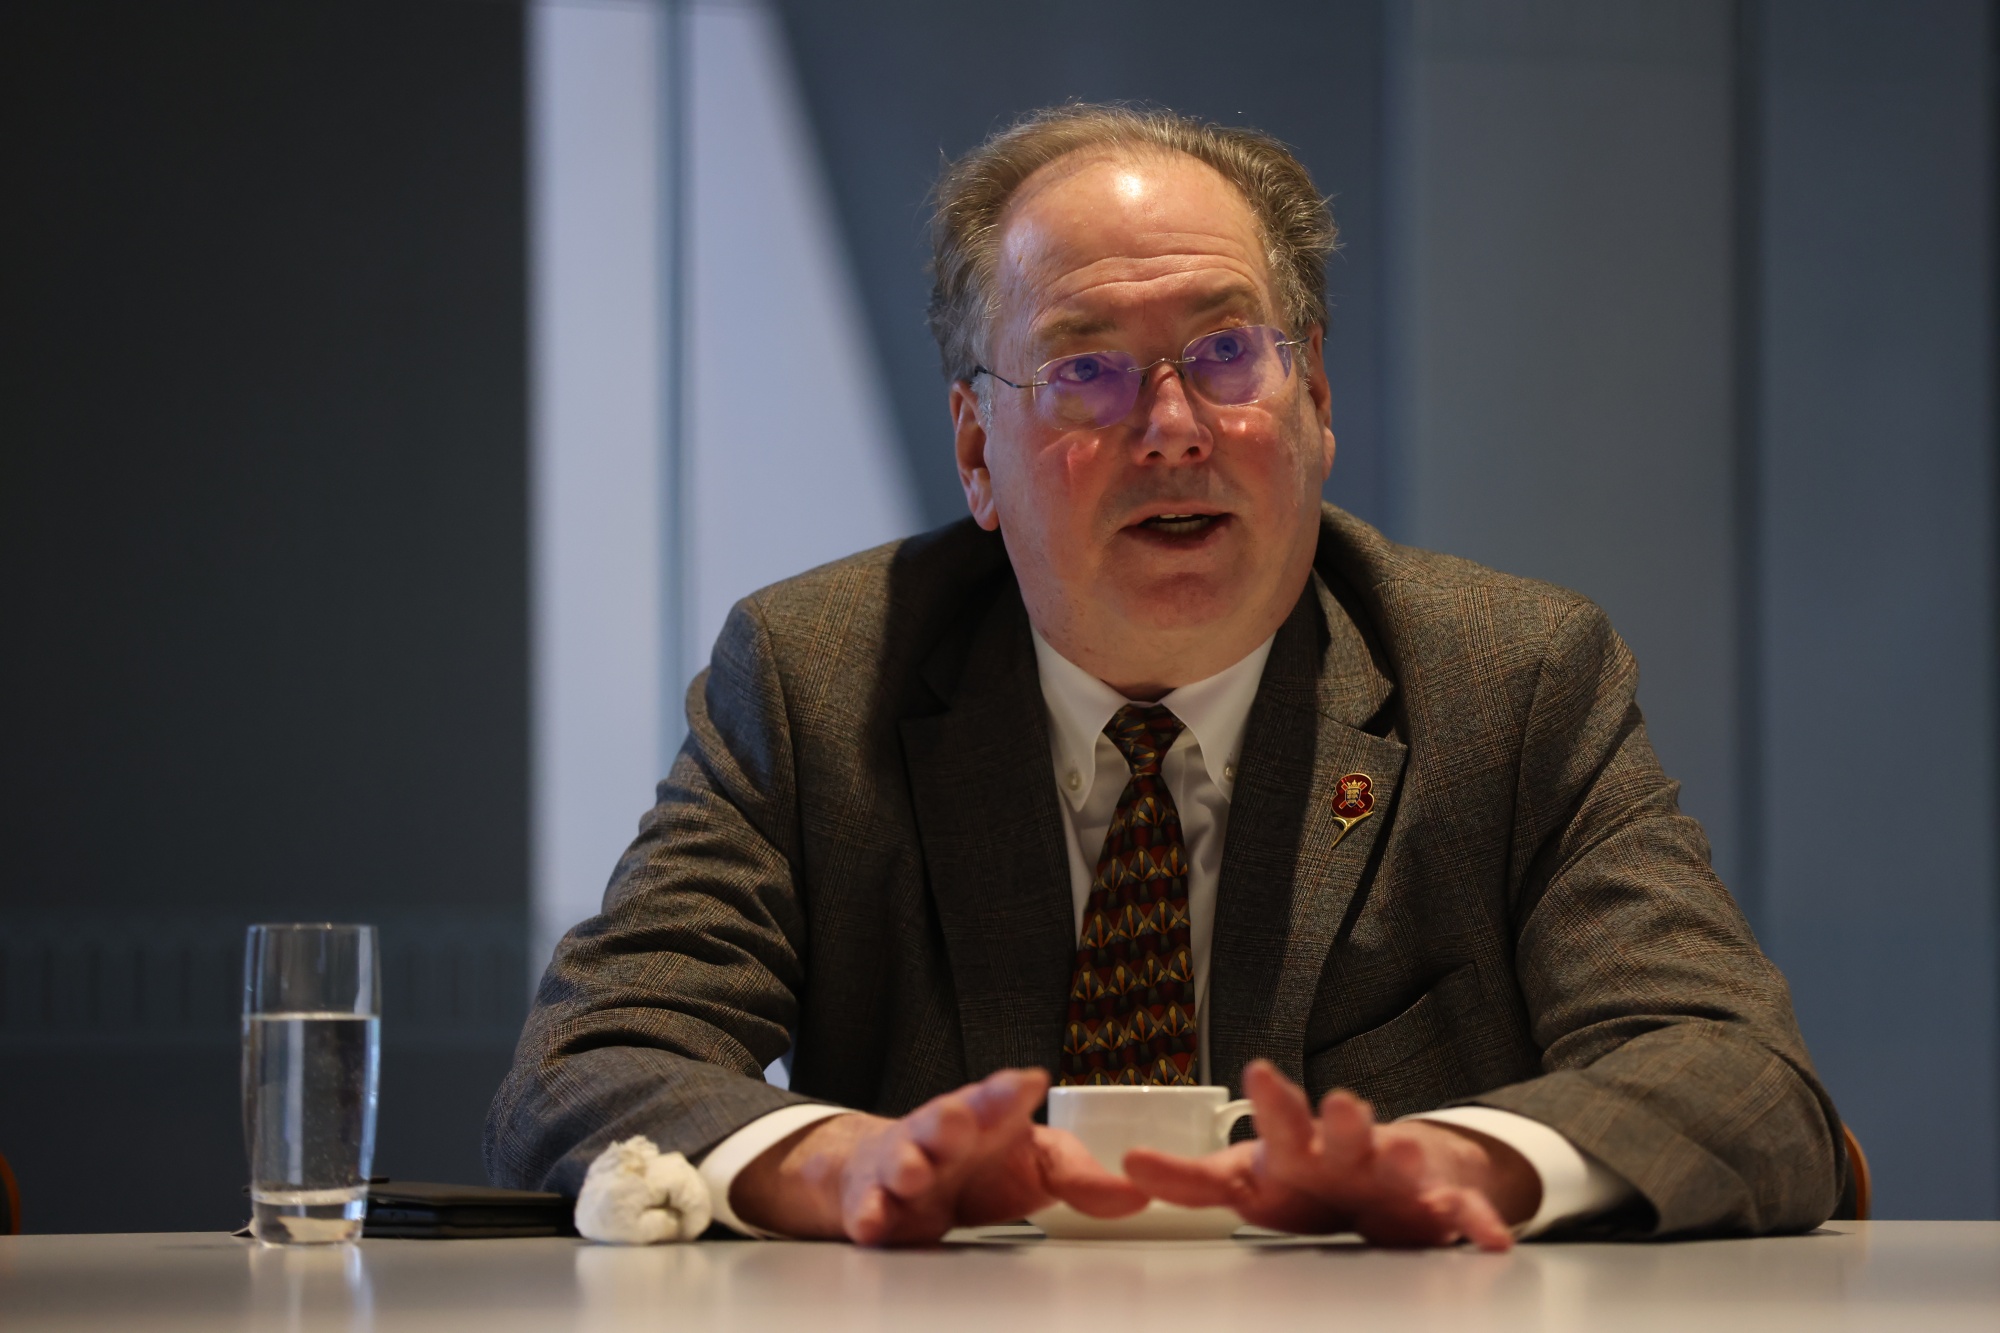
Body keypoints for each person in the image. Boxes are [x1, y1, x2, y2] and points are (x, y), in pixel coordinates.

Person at [486, 104, 1847, 1249]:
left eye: (1226, 352)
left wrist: (1465, 1163)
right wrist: (835, 1164)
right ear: (976, 451)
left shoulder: (1511, 680)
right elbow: (589, 1062)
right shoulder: (819, 678)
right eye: (1087, 370)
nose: (1175, 429)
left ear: (1316, 401)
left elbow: (1740, 1076)